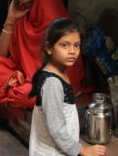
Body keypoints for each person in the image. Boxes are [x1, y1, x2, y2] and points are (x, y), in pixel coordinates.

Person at [28, 18, 106, 156]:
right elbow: (56, 128)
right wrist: (81, 150)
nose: (72, 51)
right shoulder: (52, 83)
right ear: (49, 48)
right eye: (64, 45)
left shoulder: (59, 74)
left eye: (76, 45)